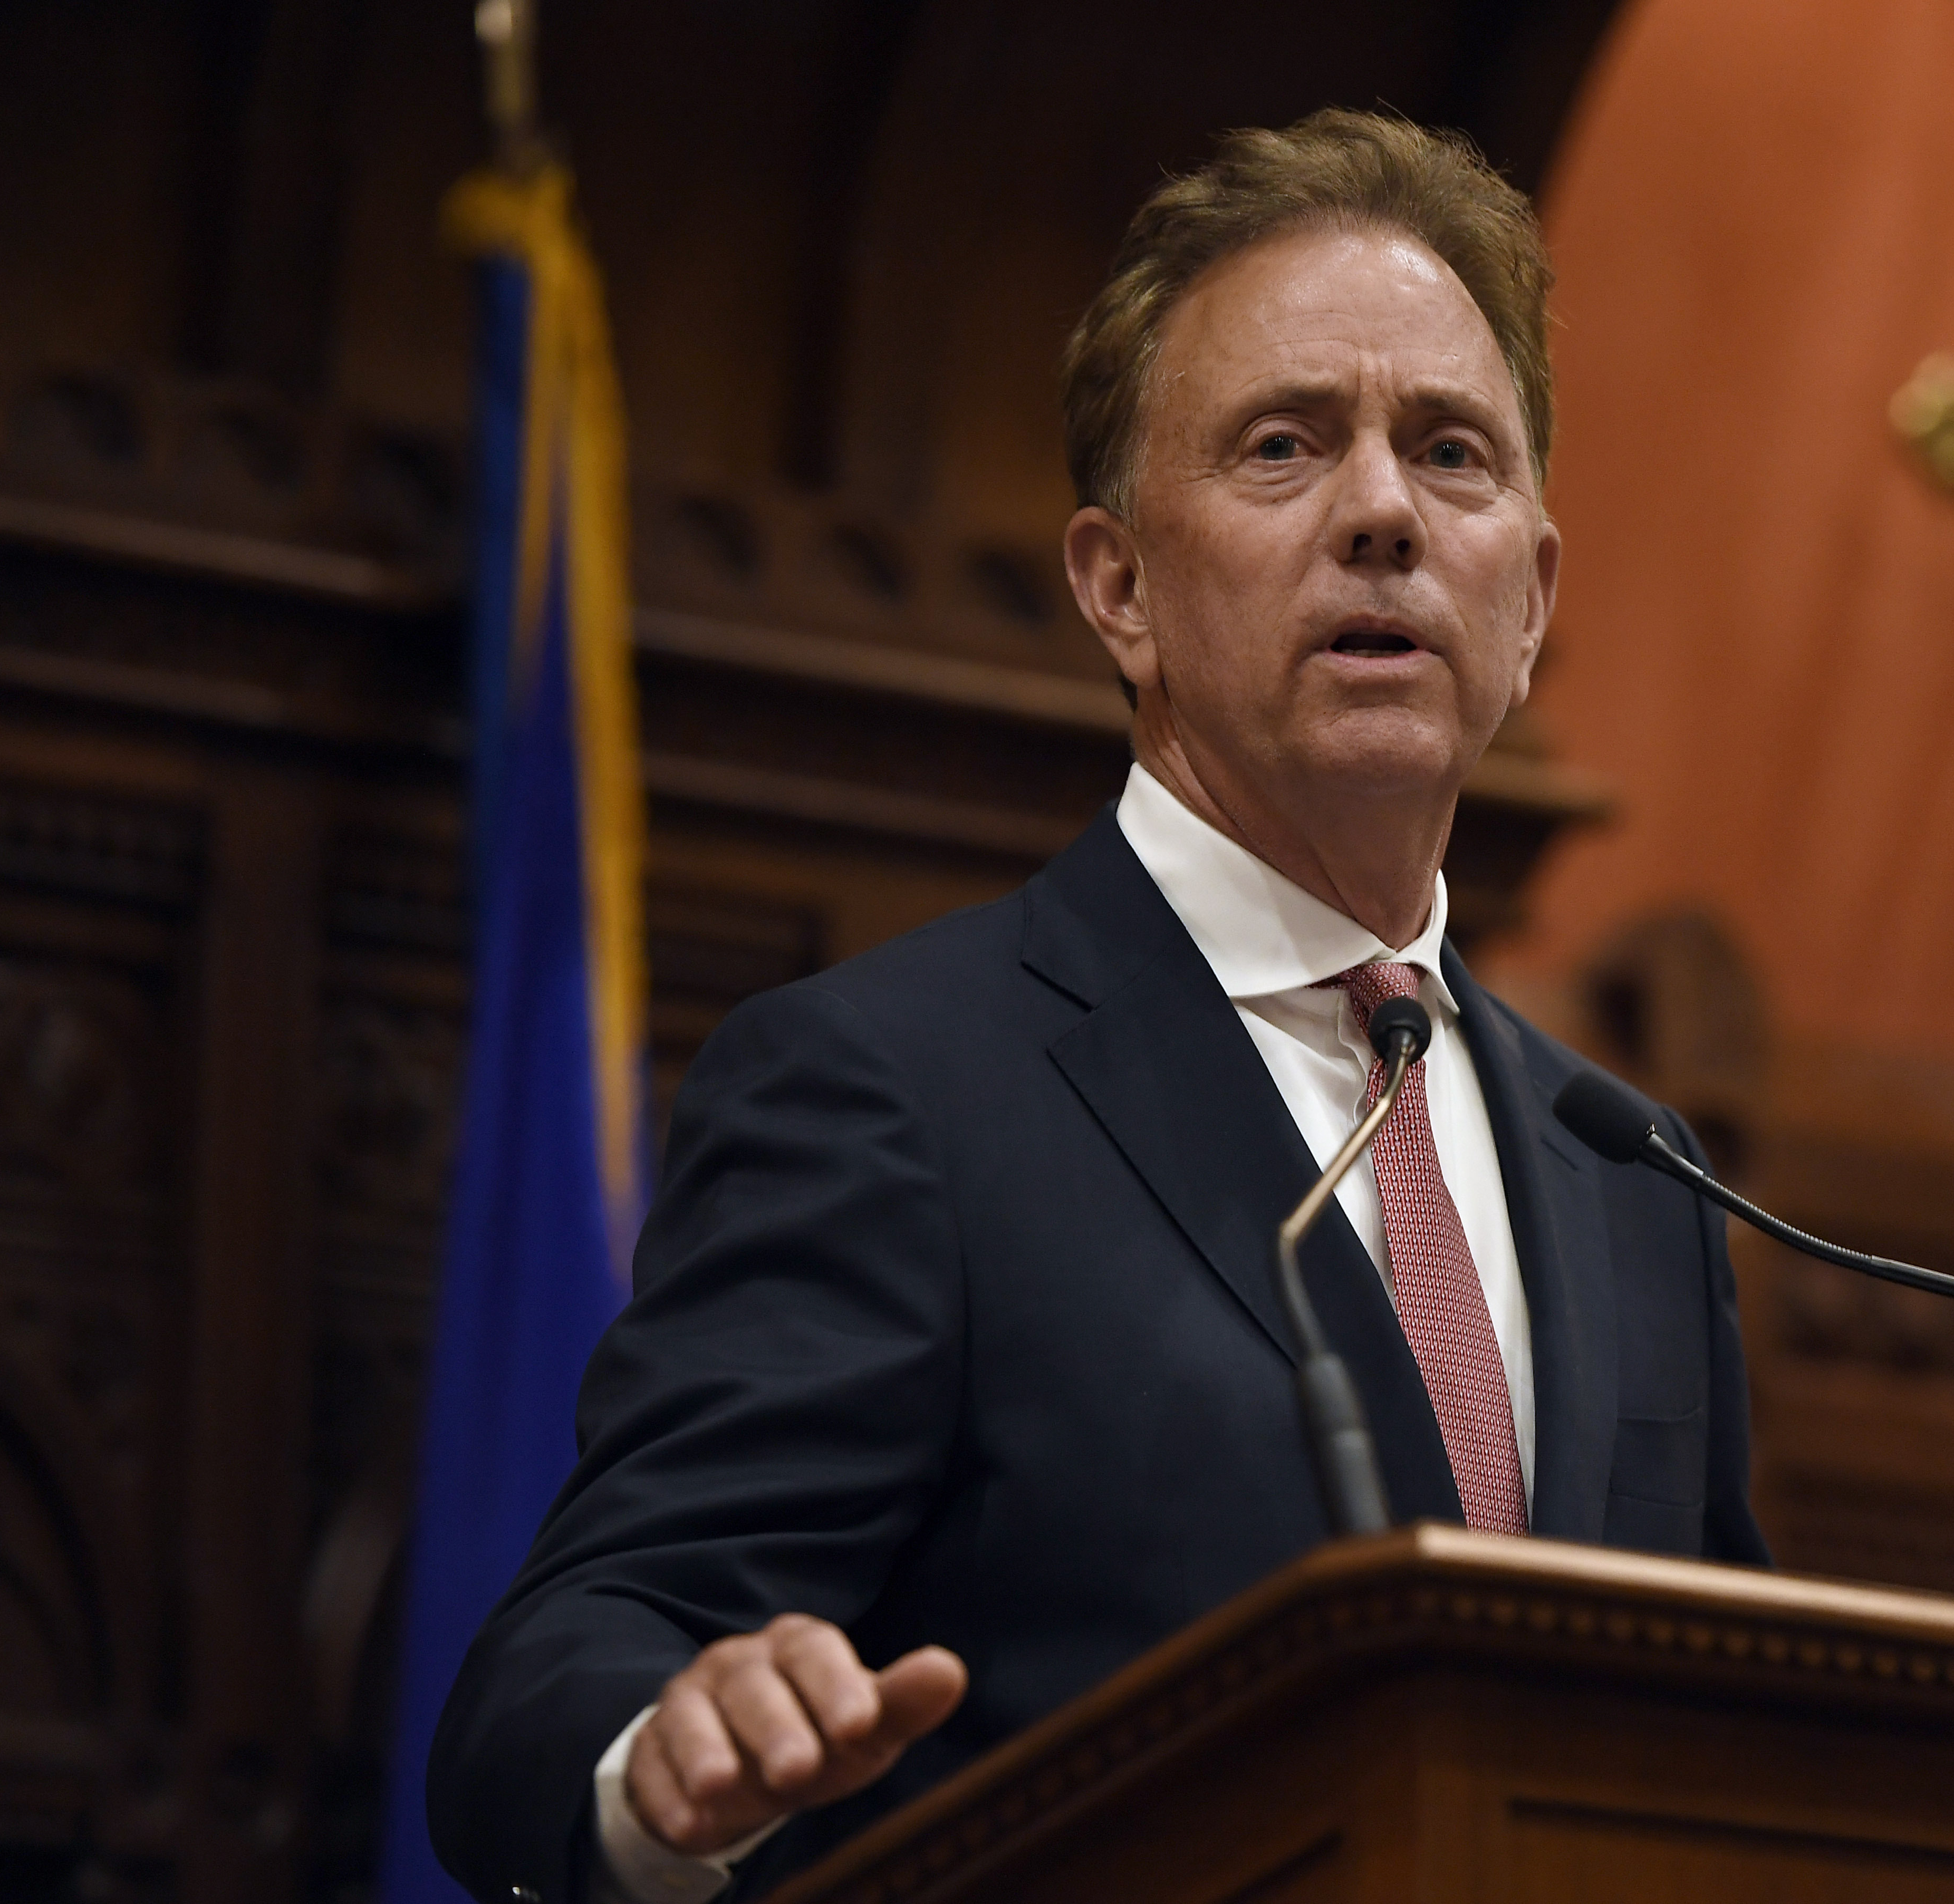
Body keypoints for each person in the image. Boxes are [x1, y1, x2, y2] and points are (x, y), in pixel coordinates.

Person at [428, 108, 1769, 1904]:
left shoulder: (1636, 1179)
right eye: (1285, 446)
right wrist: (664, 1751)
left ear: (1528, 600)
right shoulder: (898, 1091)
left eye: (1451, 452)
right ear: (1119, 585)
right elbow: (569, 1654)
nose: (1384, 511)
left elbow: (1732, 1763)